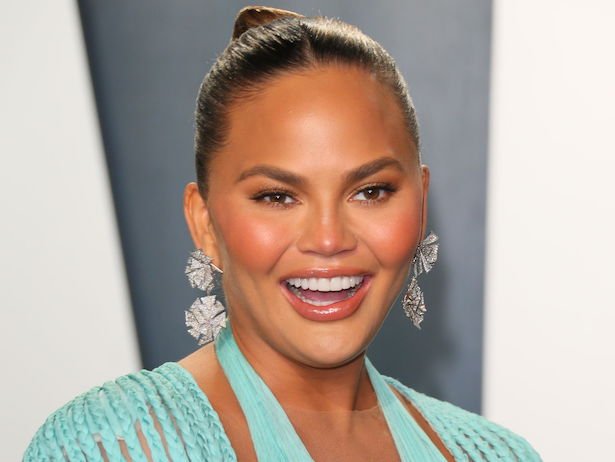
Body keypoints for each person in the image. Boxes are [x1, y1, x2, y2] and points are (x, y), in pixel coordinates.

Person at [23, 6, 542, 461]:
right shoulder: (109, 445)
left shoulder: (494, 455)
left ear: (421, 202)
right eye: (277, 196)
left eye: (370, 191)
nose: (328, 238)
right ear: (204, 222)